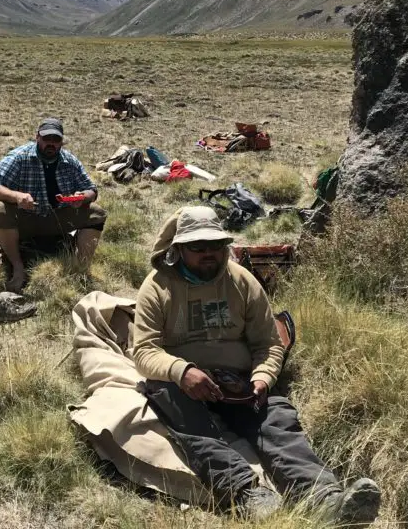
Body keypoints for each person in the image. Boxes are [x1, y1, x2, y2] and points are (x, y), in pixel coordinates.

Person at [132, 206, 381, 524]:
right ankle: (248, 494)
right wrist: (182, 372)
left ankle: (326, 500)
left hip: (238, 380)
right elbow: (144, 351)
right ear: (179, 248)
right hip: (183, 383)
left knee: (277, 423)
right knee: (191, 426)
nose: (208, 253)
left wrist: (262, 377)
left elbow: (268, 344)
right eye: (197, 247)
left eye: (215, 245)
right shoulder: (157, 288)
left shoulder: (243, 282)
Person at [0, 117, 106, 293]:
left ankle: (80, 268)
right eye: (46, 138)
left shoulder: (69, 161)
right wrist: (17, 196)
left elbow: (92, 190)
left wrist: (83, 197)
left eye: (56, 140)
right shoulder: (19, 157)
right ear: (37, 137)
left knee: (96, 214)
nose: (51, 143)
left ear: (61, 142)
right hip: (26, 219)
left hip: (58, 219)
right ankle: (18, 268)